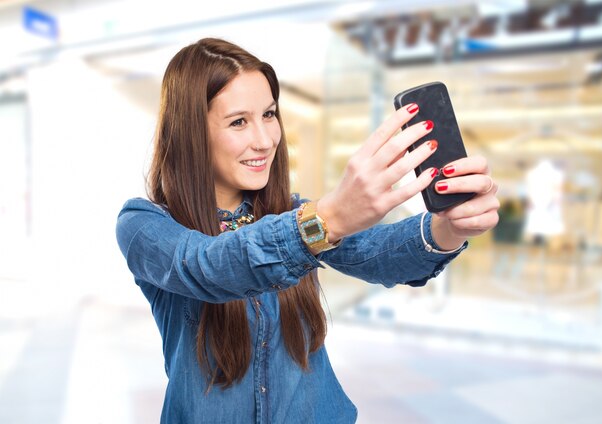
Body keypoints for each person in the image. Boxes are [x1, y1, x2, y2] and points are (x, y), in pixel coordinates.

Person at [115, 38, 499, 424]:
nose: (265, 140)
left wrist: (447, 227)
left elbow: (376, 253)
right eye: (238, 122)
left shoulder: (293, 212)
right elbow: (207, 267)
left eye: (268, 115)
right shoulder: (143, 225)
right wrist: (328, 218)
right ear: (190, 132)